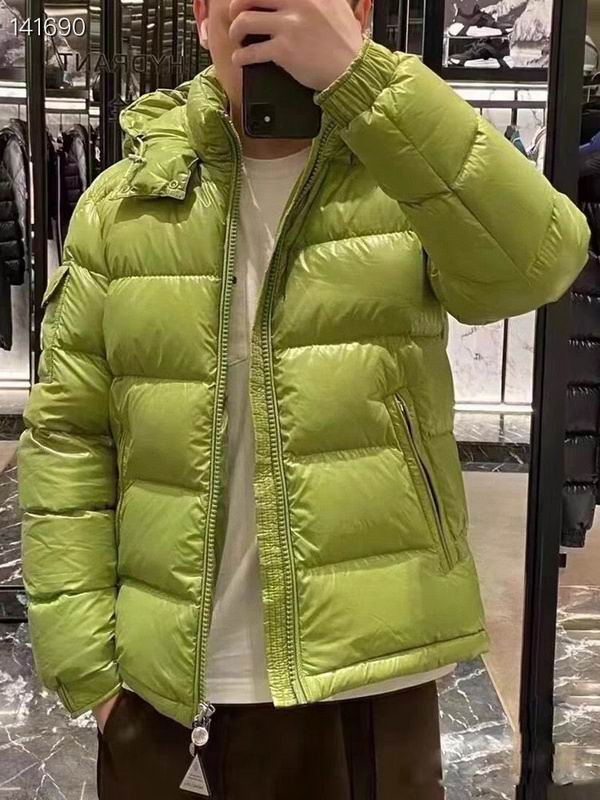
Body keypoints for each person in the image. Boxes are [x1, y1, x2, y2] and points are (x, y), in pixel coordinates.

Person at [18, 0, 589, 797]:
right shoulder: (126, 202)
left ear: (357, 12)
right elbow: (69, 437)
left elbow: (540, 263)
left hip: (363, 674)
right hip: (157, 685)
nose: (273, 19)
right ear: (202, 15)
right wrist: (89, 667)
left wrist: (363, 78)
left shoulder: (407, 179)